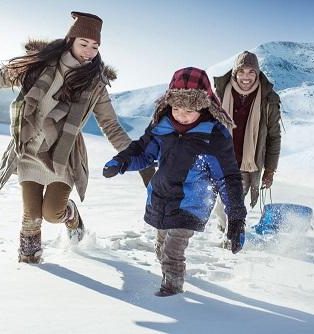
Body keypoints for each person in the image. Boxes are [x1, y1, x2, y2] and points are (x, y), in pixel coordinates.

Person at [0, 11, 155, 264]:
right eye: (84, 44)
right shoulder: (37, 65)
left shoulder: (95, 85)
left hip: (63, 156)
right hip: (29, 149)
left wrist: (138, 159)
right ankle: (29, 262)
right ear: (70, 41)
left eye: (95, 46)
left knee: (51, 213)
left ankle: (71, 215)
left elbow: (111, 126)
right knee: (31, 216)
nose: (90, 52)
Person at [102, 67, 247, 296]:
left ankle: (172, 293)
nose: (181, 114)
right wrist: (121, 162)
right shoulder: (162, 126)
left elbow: (228, 178)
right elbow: (143, 151)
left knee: (172, 250)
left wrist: (236, 217)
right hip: (161, 197)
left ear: (204, 105)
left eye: (189, 109)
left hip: (191, 204)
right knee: (161, 248)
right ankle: (172, 274)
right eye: (177, 107)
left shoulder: (214, 136)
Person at [213, 51, 282, 242]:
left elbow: (274, 137)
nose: (246, 76)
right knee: (220, 207)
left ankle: (232, 240)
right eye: (242, 71)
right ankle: (226, 228)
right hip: (220, 161)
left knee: (234, 205)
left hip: (246, 164)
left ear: (257, 73)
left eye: (251, 71)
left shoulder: (268, 99)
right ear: (235, 73)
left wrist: (270, 170)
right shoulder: (218, 94)